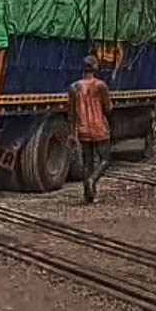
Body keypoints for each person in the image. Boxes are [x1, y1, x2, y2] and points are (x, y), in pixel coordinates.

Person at [67, 55, 112, 204]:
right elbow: (108, 108)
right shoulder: (101, 86)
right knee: (105, 159)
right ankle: (92, 180)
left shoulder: (74, 87)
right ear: (95, 68)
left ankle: (88, 196)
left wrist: (72, 134)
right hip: (99, 128)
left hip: (83, 129)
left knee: (87, 163)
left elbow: (71, 114)